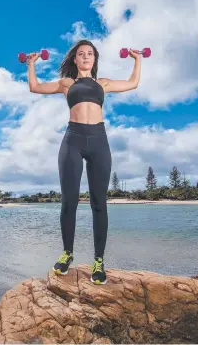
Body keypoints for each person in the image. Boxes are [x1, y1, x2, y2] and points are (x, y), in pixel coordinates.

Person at [26, 39, 143, 285]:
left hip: (99, 140)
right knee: (69, 202)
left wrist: (137, 59)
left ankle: (98, 261)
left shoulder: (104, 83)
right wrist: (31, 64)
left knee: (99, 203)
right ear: (75, 59)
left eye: (90, 53)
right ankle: (67, 253)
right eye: (81, 54)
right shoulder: (66, 83)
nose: (86, 57)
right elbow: (35, 87)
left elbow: (133, 83)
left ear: (94, 59)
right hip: (73, 140)